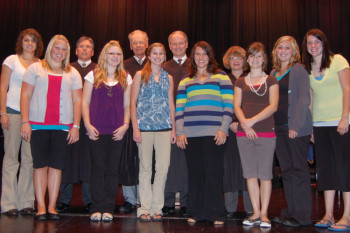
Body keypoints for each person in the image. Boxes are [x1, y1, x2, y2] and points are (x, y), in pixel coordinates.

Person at [20, 34, 82, 221]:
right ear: (50, 49)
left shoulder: (72, 72)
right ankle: (40, 207)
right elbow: (25, 96)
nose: (60, 52)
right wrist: (25, 122)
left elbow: (78, 101)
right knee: (40, 166)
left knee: (56, 167)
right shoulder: (35, 69)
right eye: (57, 48)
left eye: (64, 49)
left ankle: (52, 207)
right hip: (38, 126)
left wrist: (76, 126)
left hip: (62, 127)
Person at [176, 41, 234, 225]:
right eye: (197, 54)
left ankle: (217, 213)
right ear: (193, 57)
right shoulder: (185, 80)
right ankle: (195, 211)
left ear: (210, 56)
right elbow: (179, 110)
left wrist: (223, 128)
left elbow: (228, 106)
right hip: (190, 135)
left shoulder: (221, 77)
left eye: (204, 54)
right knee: (195, 174)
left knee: (213, 173)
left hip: (215, 133)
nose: (201, 58)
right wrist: (180, 132)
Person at [302, 29, 350, 231]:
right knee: (326, 171)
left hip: (340, 123)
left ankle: (346, 216)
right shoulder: (308, 68)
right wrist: (311, 125)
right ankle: (329, 214)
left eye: (316, 42)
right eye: (309, 43)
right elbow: (311, 99)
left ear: (324, 43)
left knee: (344, 169)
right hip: (320, 125)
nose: (313, 45)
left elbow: (347, 88)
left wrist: (345, 117)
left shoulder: (338, 60)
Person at [82, 40, 131, 222]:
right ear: (104, 55)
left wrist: (125, 125)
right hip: (96, 130)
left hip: (117, 131)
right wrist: (87, 124)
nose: (115, 57)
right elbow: (85, 102)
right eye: (111, 53)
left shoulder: (126, 76)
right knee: (98, 168)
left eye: (118, 54)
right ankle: (97, 207)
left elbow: (127, 105)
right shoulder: (92, 75)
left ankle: (109, 207)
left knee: (112, 169)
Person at [233, 42, 278, 228]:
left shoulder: (271, 80)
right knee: (250, 174)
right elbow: (236, 105)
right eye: (252, 56)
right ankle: (256, 213)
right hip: (244, 134)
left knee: (265, 175)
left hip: (266, 132)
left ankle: (265, 213)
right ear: (247, 59)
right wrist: (245, 123)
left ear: (264, 59)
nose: (255, 59)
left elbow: (273, 106)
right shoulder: (240, 81)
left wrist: (252, 121)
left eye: (259, 56)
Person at [269, 36, 313, 227]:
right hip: (278, 129)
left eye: (288, 47)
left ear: (294, 51)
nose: (284, 50)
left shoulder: (299, 69)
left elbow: (304, 99)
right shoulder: (273, 72)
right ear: (276, 50)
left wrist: (295, 125)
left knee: (299, 171)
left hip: (295, 128)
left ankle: (302, 216)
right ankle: (290, 213)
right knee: (286, 172)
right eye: (281, 47)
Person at [0, 28, 43, 216]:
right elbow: (3, 87)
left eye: (33, 41)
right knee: (11, 158)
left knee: (29, 159)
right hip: (13, 112)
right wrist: (2, 112)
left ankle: (26, 201)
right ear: (21, 42)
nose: (29, 44)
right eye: (26, 40)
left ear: (38, 45)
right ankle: (9, 202)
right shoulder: (11, 60)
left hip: (33, 117)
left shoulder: (41, 64)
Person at [131, 42, 175, 222]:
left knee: (163, 168)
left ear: (165, 56)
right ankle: (145, 207)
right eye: (155, 53)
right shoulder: (140, 75)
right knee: (145, 168)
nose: (158, 56)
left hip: (164, 128)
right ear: (149, 55)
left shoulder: (169, 78)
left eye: (161, 53)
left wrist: (174, 128)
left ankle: (158, 207)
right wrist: (135, 128)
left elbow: (171, 104)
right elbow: (132, 103)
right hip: (144, 129)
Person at [57, 36, 96, 213]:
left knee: (89, 162)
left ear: (93, 51)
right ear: (76, 50)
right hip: (69, 120)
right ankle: (64, 200)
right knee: (67, 160)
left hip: (90, 121)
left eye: (88, 47)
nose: (85, 49)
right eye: (81, 46)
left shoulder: (99, 70)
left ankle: (89, 200)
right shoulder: (67, 68)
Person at [119, 30, 149, 213]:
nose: (138, 45)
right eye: (134, 43)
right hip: (127, 119)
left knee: (147, 161)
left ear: (147, 44)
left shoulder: (154, 62)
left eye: (141, 42)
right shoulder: (122, 66)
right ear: (130, 46)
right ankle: (130, 199)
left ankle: (146, 198)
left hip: (149, 120)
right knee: (127, 159)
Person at [222, 46, 253, 218]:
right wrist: (229, 124)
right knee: (230, 168)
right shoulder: (222, 79)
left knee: (248, 167)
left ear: (245, 61)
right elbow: (219, 104)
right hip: (228, 130)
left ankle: (250, 207)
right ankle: (230, 208)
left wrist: (242, 123)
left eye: (239, 57)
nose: (235, 61)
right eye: (232, 58)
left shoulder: (251, 78)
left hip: (248, 128)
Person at [162, 30, 190, 217]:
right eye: (174, 43)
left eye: (181, 43)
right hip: (167, 121)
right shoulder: (162, 66)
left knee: (189, 163)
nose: (178, 46)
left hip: (191, 121)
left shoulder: (196, 64)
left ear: (187, 44)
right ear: (169, 46)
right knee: (167, 162)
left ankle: (188, 200)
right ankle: (168, 201)